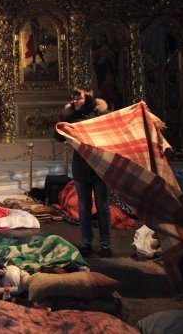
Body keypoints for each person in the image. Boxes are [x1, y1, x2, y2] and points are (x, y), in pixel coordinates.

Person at [54, 87, 111, 257]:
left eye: (79, 98)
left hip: (99, 167)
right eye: (73, 98)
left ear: (89, 96)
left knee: (102, 206)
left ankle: (105, 243)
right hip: (81, 167)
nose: (75, 101)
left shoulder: (101, 114)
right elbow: (58, 137)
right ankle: (86, 242)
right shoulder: (72, 116)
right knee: (84, 207)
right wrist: (64, 119)